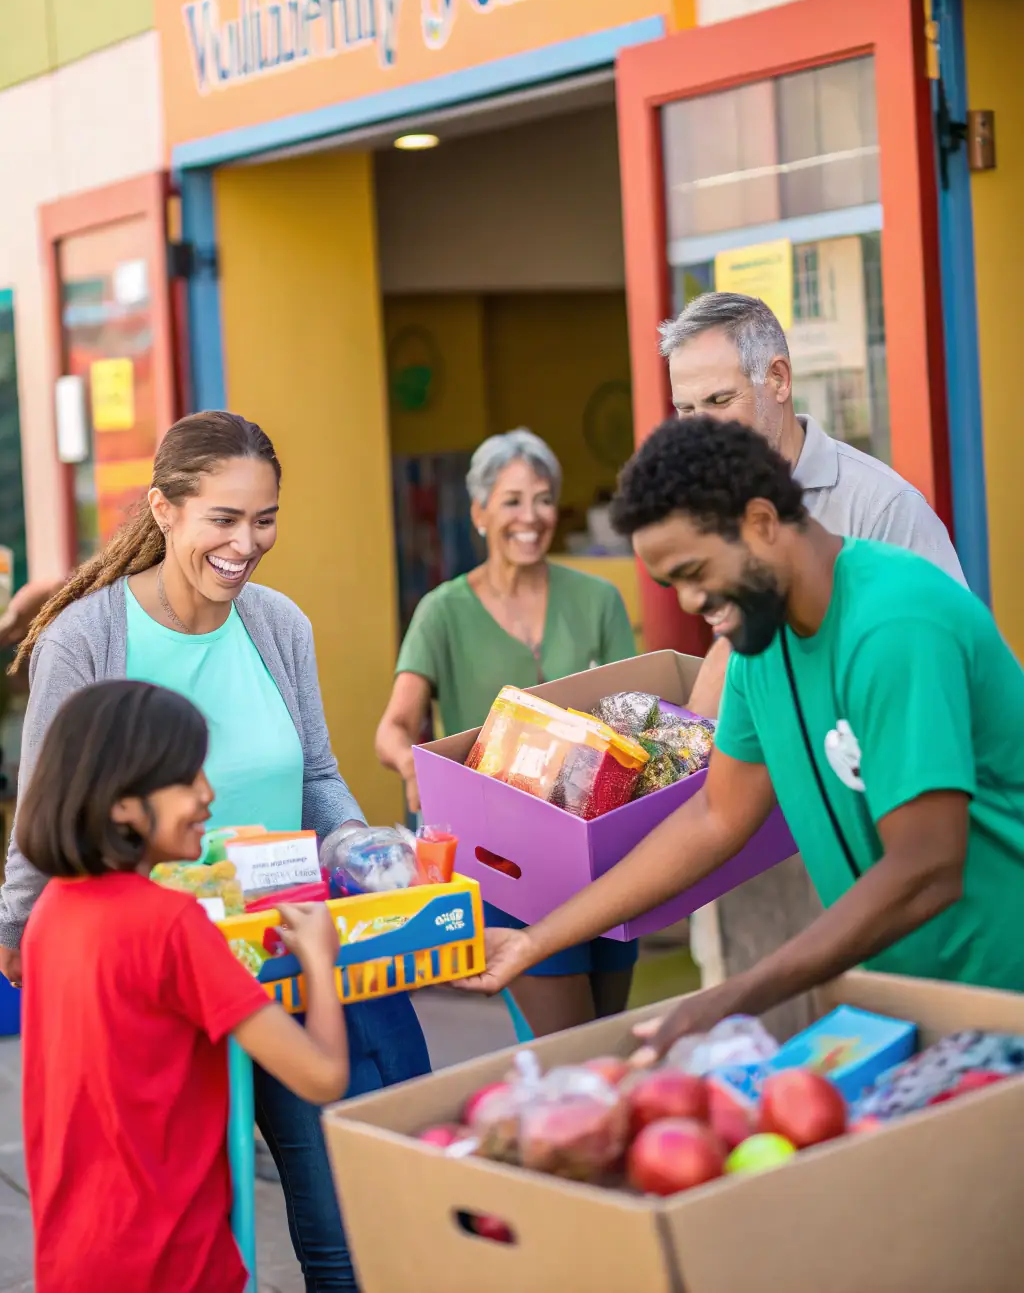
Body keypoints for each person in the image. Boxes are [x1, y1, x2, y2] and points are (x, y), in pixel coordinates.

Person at [0, 411, 429, 1292]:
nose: (248, 542)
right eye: (224, 519)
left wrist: (367, 856)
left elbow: (316, 776)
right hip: (164, 977)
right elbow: (48, 800)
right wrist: (19, 924)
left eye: (265, 517)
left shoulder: (278, 625)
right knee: (183, 1223)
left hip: (285, 946)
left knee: (348, 1223)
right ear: (164, 510)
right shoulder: (86, 636)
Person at [459, 417, 1024, 1058]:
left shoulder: (894, 624)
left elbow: (926, 867)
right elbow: (714, 815)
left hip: (1005, 992)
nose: (696, 601)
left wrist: (733, 997)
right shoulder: (762, 645)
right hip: (916, 1005)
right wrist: (537, 940)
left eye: (697, 570)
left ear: (760, 521)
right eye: (675, 584)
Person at [662, 292, 967, 1025]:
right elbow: (731, 660)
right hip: (761, 851)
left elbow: (942, 677)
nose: (699, 431)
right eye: (684, 411)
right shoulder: (714, 507)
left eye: (719, 400)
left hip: (879, 849)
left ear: (777, 379)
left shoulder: (883, 510)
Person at [20, 679, 349, 1293]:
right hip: (172, 1262)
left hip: (73, 1258)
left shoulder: (52, 914)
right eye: (187, 778)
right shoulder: (171, 925)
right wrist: (318, 962)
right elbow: (322, 1075)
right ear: (122, 803)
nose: (207, 795)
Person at [376, 428, 638, 1037]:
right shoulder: (442, 611)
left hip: (602, 847)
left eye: (543, 499)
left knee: (608, 1033)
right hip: (509, 856)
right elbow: (393, 725)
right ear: (480, 512)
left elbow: (640, 710)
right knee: (565, 1046)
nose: (531, 516)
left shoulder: (598, 600)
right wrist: (412, 765)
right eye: (513, 500)